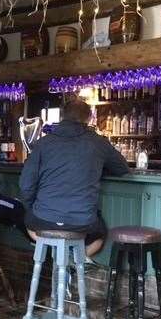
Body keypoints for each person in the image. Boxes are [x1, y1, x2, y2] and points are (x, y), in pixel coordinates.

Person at [19, 98, 129, 256]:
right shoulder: (98, 143)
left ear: (62, 116)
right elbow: (122, 168)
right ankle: (74, 261)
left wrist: (33, 207)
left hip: (42, 219)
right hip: (82, 223)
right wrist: (96, 166)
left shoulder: (43, 143)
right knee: (100, 233)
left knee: (29, 222)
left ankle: (58, 260)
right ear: (89, 118)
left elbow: (25, 185)